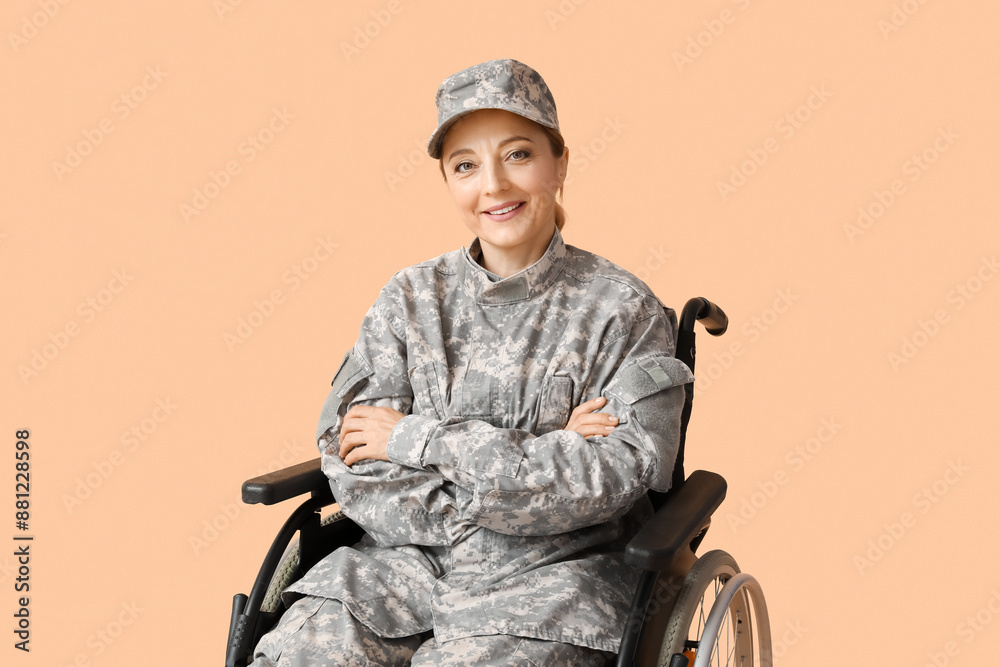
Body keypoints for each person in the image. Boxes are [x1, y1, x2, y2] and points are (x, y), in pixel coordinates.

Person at [249, 58, 694, 666]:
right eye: (466, 166)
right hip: (398, 567)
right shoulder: (409, 299)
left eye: (518, 155)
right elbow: (348, 457)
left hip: (556, 577)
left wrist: (415, 438)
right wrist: (536, 455)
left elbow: (613, 476)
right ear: (449, 182)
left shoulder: (623, 309)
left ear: (560, 163)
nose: (494, 186)